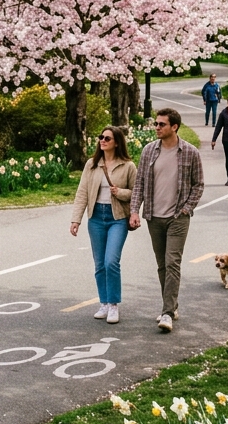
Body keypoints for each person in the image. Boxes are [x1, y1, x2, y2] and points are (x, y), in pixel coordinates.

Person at [129, 108, 204, 333]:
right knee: (162, 265)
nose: (157, 128)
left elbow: (198, 185)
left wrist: (186, 209)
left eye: (161, 124)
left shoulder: (190, 152)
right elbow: (140, 183)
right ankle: (172, 305)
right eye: (156, 124)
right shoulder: (149, 151)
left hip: (178, 217)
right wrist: (134, 211)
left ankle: (167, 313)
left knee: (172, 263)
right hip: (154, 216)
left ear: (174, 127)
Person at [69, 125, 136, 324]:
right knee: (99, 264)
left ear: (117, 142)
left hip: (117, 218)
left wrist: (120, 192)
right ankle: (104, 303)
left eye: (107, 138)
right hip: (96, 217)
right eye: (101, 137)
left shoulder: (128, 166)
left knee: (111, 262)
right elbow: (82, 192)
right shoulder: (92, 164)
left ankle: (113, 305)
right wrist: (76, 219)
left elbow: (136, 192)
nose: (102, 141)